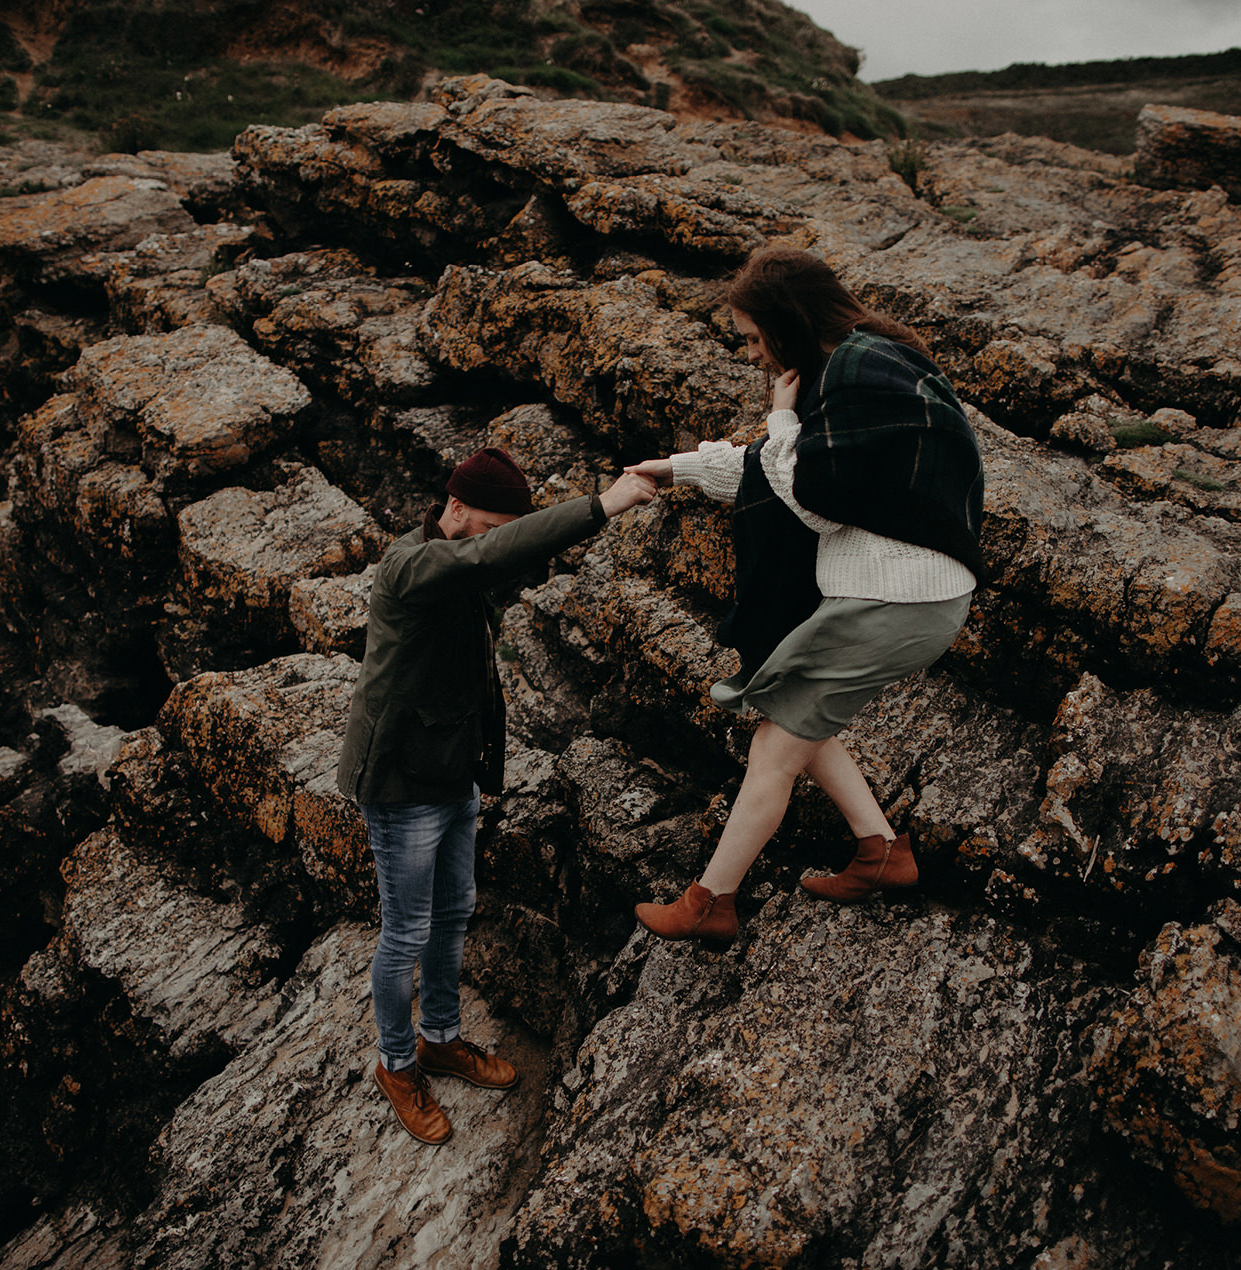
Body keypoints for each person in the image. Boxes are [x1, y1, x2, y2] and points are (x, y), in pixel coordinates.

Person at [625, 246, 985, 945]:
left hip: (896, 599)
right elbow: (775, 471)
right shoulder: (862, 364)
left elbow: (814, 501)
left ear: (786, 326)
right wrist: (675, 469)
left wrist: (782, 419)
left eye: (757, 340)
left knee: (774, 744)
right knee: (796, 709)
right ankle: (882, 852)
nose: (756, 356)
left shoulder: (853, 375)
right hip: (906, 595)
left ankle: (711, 902)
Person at [337, 446, 657, 1144]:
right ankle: (397, 1063)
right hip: (398, 783)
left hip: (450, 774)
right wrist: (606, 503)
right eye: (484, 527)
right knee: (406, 932)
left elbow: (497, 558)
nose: (491, 542)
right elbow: (488, 559)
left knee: (453, 913)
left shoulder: (460, 553)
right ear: (453, 508)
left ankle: (442, 1039)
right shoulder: (410, 566)